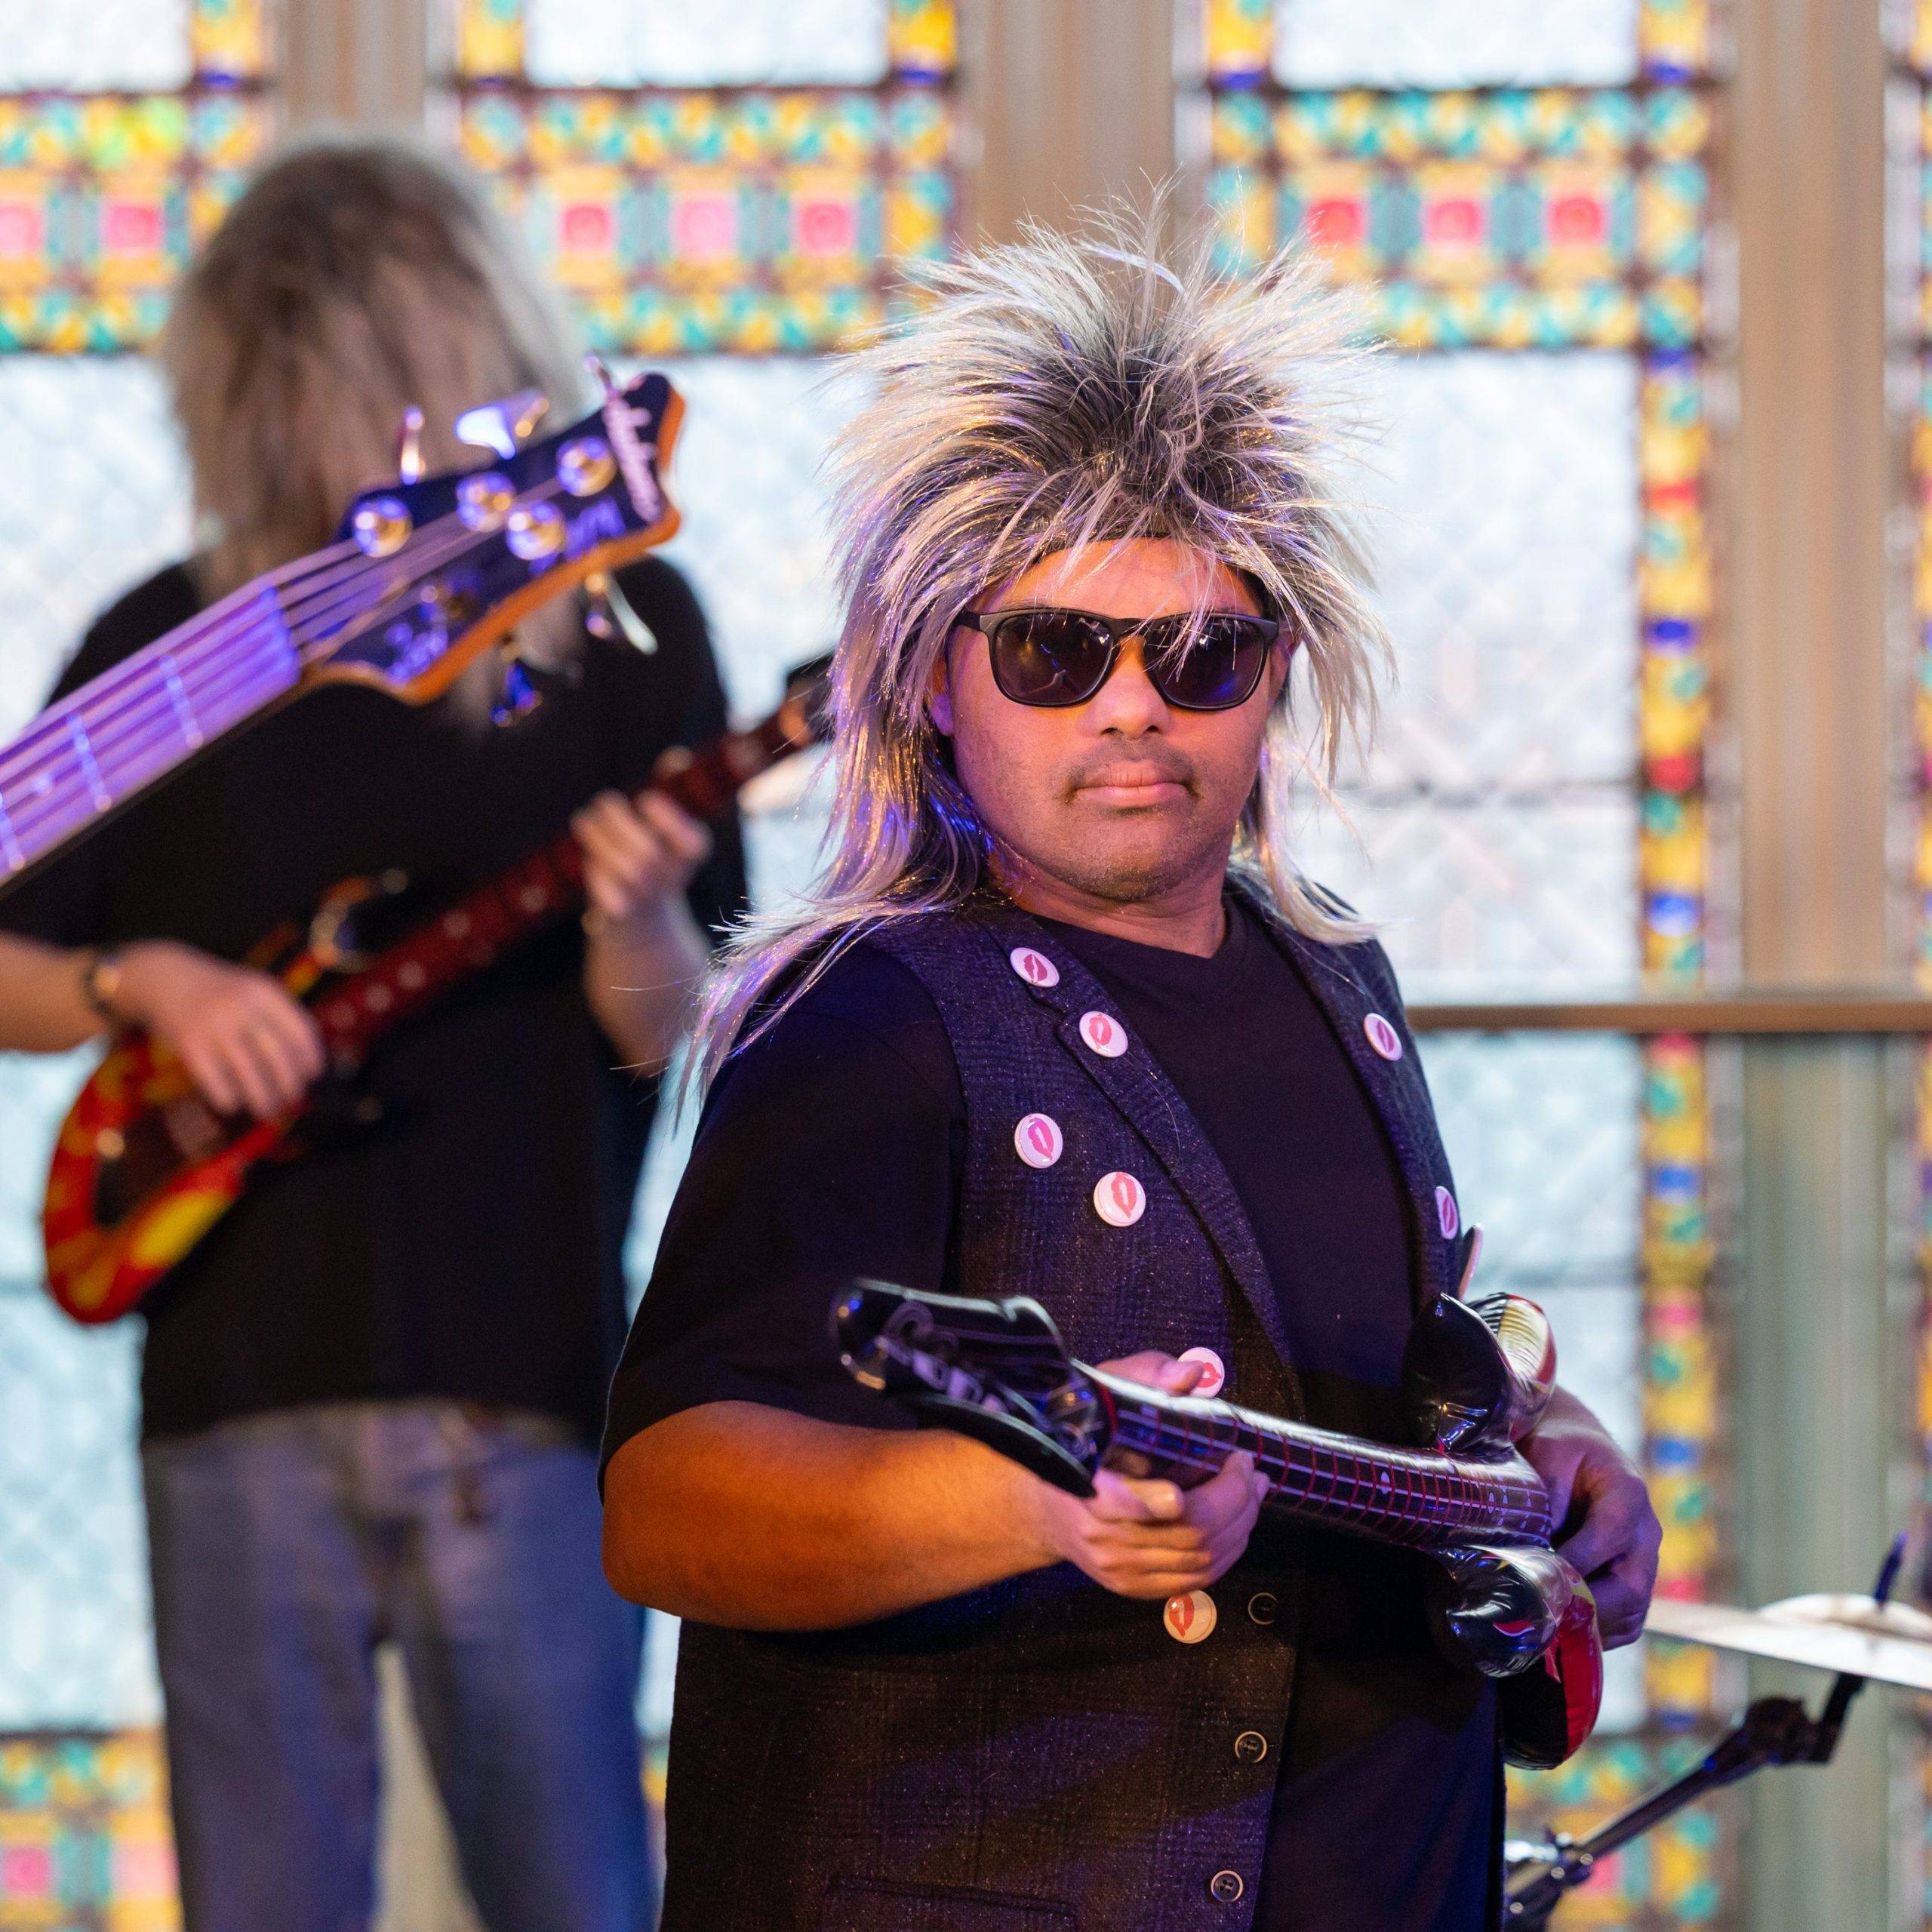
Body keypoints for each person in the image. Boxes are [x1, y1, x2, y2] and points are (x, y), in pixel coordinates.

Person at [598, 220, 1661, 1932]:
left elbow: (1406, 1363)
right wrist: (1026, 1499)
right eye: (1050, 651)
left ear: (1273, 677)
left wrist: (1545, 1445)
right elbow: (665, 1500)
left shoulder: (1338, 986)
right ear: (935, 678)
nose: (1128, 709)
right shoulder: (863, 1015)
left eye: (1197, 656)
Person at [0, 140, 745, 1932]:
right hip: (236, 1385)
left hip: (532, 1375)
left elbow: (674, 1036)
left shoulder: (620, 637)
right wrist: (144, 984)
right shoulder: (158, 647)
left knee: (576, 1888)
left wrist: (636, 912)